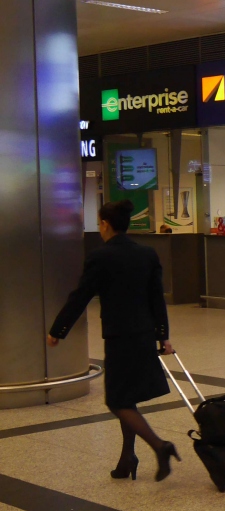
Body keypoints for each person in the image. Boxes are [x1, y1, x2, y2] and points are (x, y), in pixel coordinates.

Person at [47, 200, 181, 482]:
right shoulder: (147, 254)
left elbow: (81, 296)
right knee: (128, 398)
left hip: (120, 337)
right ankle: (127, 458)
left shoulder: (101, 257)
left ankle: (160, 446)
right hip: (144, 334)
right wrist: (163, 335)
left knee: (118, 401)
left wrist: (58, 330)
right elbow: (156, 299)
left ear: (105, 224)